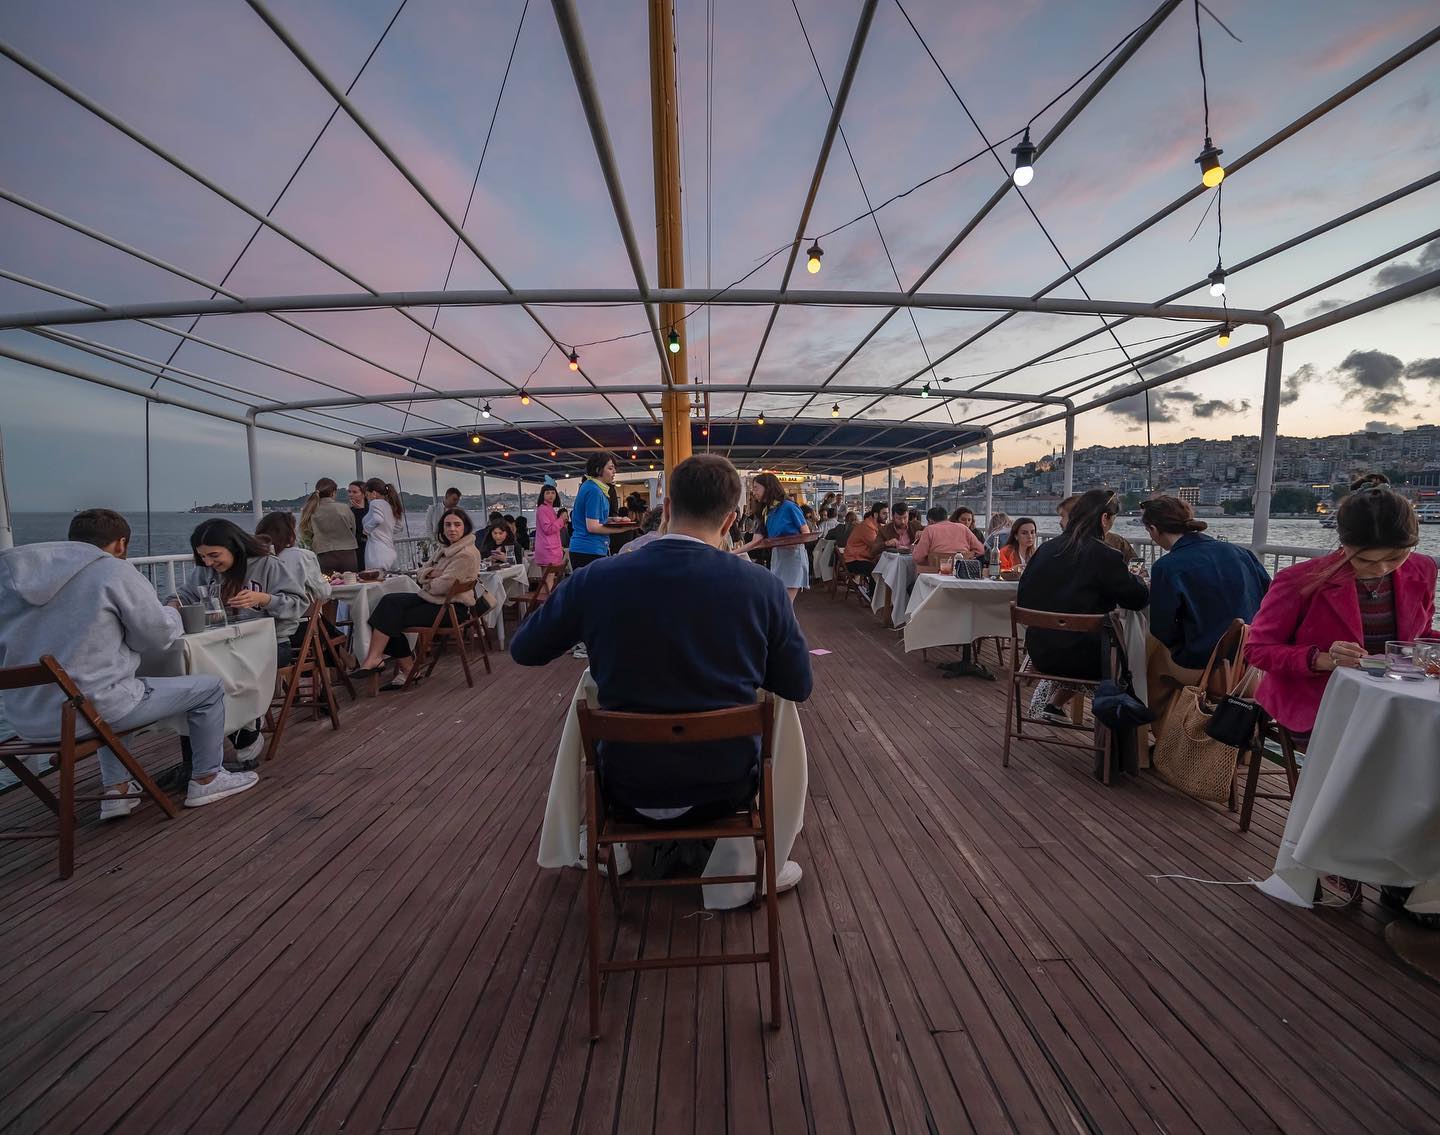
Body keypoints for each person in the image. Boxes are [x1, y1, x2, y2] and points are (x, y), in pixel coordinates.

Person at [511, 454, 811, 892]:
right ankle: (745, 860)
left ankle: (609, 849)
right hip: (727, 786)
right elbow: (797, 686)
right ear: (730, 522)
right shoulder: (762, 588)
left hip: (626, 785)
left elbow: (526, 649)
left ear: (666, 509)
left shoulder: (598, 579)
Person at [0, 509, 258, 811]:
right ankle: (207, 778)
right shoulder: (112, 571)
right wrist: (174, 614)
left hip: (28, 720)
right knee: (208, 688)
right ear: (120, 544)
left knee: (107, 693)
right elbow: (155, 636)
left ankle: (118, 791)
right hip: (92, 710)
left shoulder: (10, 580)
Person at [1247, 486, 1437, 739]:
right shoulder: (1298, 580)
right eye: (1365, 561)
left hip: (1394, 698)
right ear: (1343, 544)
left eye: (1396, 557)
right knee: (1397, 746)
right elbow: (1257, 650)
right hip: (1317, 702)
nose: (1381, 568)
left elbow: (1419, 634)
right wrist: (1321, 659)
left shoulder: (1422, 568)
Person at [1017, 489, 1149, 725]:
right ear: (1104, 519)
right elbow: (1137, 600)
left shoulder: (1045, 550)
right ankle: (1129, 733)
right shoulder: (1106, 556)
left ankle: (1052, 704)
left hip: (1040, 654)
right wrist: (1136, 579)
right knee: (1136, 654)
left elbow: (1024, 600)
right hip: (1088, 662)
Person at [1142, 496, 1270, 726]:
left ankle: (1162, 744)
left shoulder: (1167, 566)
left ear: (1153, 529)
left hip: (1204, 665)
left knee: (1151, 664)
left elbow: (1163, 629)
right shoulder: (1242, 554)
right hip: (1248, 662)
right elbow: (1268, 599)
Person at [348, 508, 483, 691]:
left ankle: (397, 665)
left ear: (465, 528)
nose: (452, 529)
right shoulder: (445, 549)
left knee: (389, 618)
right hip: (433, 600)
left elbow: (441, 586)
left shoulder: (465, 554)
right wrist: (432, 575)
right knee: (387, 602)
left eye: (457, 525)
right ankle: (383, 660)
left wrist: (429, 578)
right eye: (447, 525)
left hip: (451, 608)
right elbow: (420, 573)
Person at [733, 473, 811, 602]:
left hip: (793, 558)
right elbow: (755, 542)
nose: (753, 492)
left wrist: (789, 543)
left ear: (768, 488)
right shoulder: (766, 511)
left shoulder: (789, 506)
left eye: (756, 488)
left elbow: (806, 534)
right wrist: (732, 553)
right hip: (778, 557)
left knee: (785, 604)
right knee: (778, 602)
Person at [570, 453, 636, 575]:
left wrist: (615, 519)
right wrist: (622, 529)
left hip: (588, 549)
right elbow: (592, 526)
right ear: (598, 469)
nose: (614, 472)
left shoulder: (593, 487)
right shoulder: (594, 490)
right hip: (588, 549)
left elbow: (596, 518)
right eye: (610, 468)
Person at [255, 511, 331, 604]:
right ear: (290, 533)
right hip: (296, 614)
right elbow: (323, 593)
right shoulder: (302, 556)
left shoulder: (253, 559)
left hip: (257, 614)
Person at [300, 478, 359, 573]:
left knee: (328, 585)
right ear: (333, 492)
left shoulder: (311, 510)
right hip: (348, 552)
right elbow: (353, 530)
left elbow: (308, 535)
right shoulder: (344, 508)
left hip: (324, 554)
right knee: (351, 583)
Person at [912, 505, 985, 573]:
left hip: (935, 575)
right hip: (961, 573)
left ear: (930, 521)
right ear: (946, 518)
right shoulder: (963, 528)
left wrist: (915, 547)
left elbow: (918, 558)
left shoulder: (929, 530)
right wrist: (968, 555)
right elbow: (981, 550)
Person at [843, 502, 888, 600]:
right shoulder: (867, 527)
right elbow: (876, 547)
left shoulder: (875, 526)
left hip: (862, 558)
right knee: (876, 569)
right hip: (853, 561)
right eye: (884, 513)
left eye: (887, 513)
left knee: (883, 566)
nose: (887, 516)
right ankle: (872, 596)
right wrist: (888, 543)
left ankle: (880, 595)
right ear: (876, 515)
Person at [361, 478, 402, 572]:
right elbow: (399, 526)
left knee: (375, 580)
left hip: (376, 550)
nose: (366, 498)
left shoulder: (375, 503)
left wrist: (366, 529)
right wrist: (387, 529)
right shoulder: (390, 505)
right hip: (389, 549)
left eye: (367, 495)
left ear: (374, 493)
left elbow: (378, 519)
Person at [534, 485, 566, 574]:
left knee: (548, 580)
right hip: (548, 549)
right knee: (548, 580)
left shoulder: (549, 509)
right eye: (547, 493)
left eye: (553, 492)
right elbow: (548, 529)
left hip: (551, 549)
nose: (551, 495)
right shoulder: (543, 509)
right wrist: (561, 520)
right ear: (542, 495)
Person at [1099, 494, 1139, 562]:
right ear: (1105, 518)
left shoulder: (1077, 542)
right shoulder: (1118, 542)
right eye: (1114, 517)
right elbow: (1136, 568)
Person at [347, 481, 370, 567]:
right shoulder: (349, 511)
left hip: (369, 547)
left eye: (355, 492)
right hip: (355, 549)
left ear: (363, 494)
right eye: (349, 492)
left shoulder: (370, 509)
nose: (351, 494)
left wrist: (361, 511)